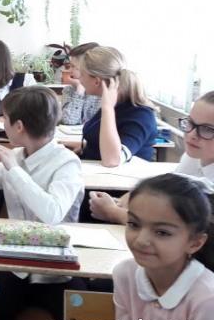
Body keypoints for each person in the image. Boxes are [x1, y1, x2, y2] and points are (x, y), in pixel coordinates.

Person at [0, 86, 85, 320]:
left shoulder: (66, 163)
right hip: (17, 266)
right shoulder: (17, 156)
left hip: (58, 272)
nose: (3, 125)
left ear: (19, 126)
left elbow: (52, 214)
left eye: (5, 120)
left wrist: (13, 169)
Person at [113, 173, 214, 320]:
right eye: (134, 224)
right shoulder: (125, 274)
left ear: (195, 243)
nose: (141, 240)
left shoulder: (207, 299)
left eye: (162, 232)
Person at [90, 91, 214, 225]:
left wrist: (112, 212)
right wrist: (121, 203)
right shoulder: (192, 157)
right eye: (190, 123)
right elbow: (168, 195)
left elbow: (174, 226)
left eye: (207, 129)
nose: (192, 134)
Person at [78, 46, 157, 166]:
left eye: (82, 74)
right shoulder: (115, 105)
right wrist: (81, 148)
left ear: (97, 81)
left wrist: (107, 108)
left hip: (119, 177)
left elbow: (113, 160)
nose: (79, 79)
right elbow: (98, 142)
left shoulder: (141, 115)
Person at [60, 42, 101, 125]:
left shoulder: (103, 93)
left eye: (73, 66)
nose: (70, 70)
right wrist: (79, 90)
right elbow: (68, 121)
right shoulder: (69, 90)